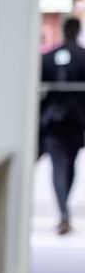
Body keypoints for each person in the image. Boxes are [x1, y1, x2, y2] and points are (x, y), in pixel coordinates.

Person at [41, 17, 85, 235]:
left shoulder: (48, 58)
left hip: (55, 121)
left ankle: (64, 211)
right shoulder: (83, 57)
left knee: (63, 166)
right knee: (66, 165)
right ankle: (64, 212)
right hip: (75, 123)